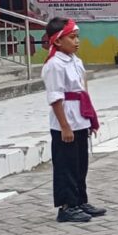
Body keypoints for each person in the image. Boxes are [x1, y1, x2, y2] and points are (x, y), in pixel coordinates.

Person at [42, 17, 104, 223]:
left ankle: (79, 200)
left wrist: (89, 118)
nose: (77, 41)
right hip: (65, 121)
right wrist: (64, 126)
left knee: (80, 164)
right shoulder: (54, 65)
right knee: (66, 165)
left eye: (77, 37)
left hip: (80, 118)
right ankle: (66, 205)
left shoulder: (76, 61)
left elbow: (82, 90)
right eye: (72, 37)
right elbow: (55, 97)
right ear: (58, 41)